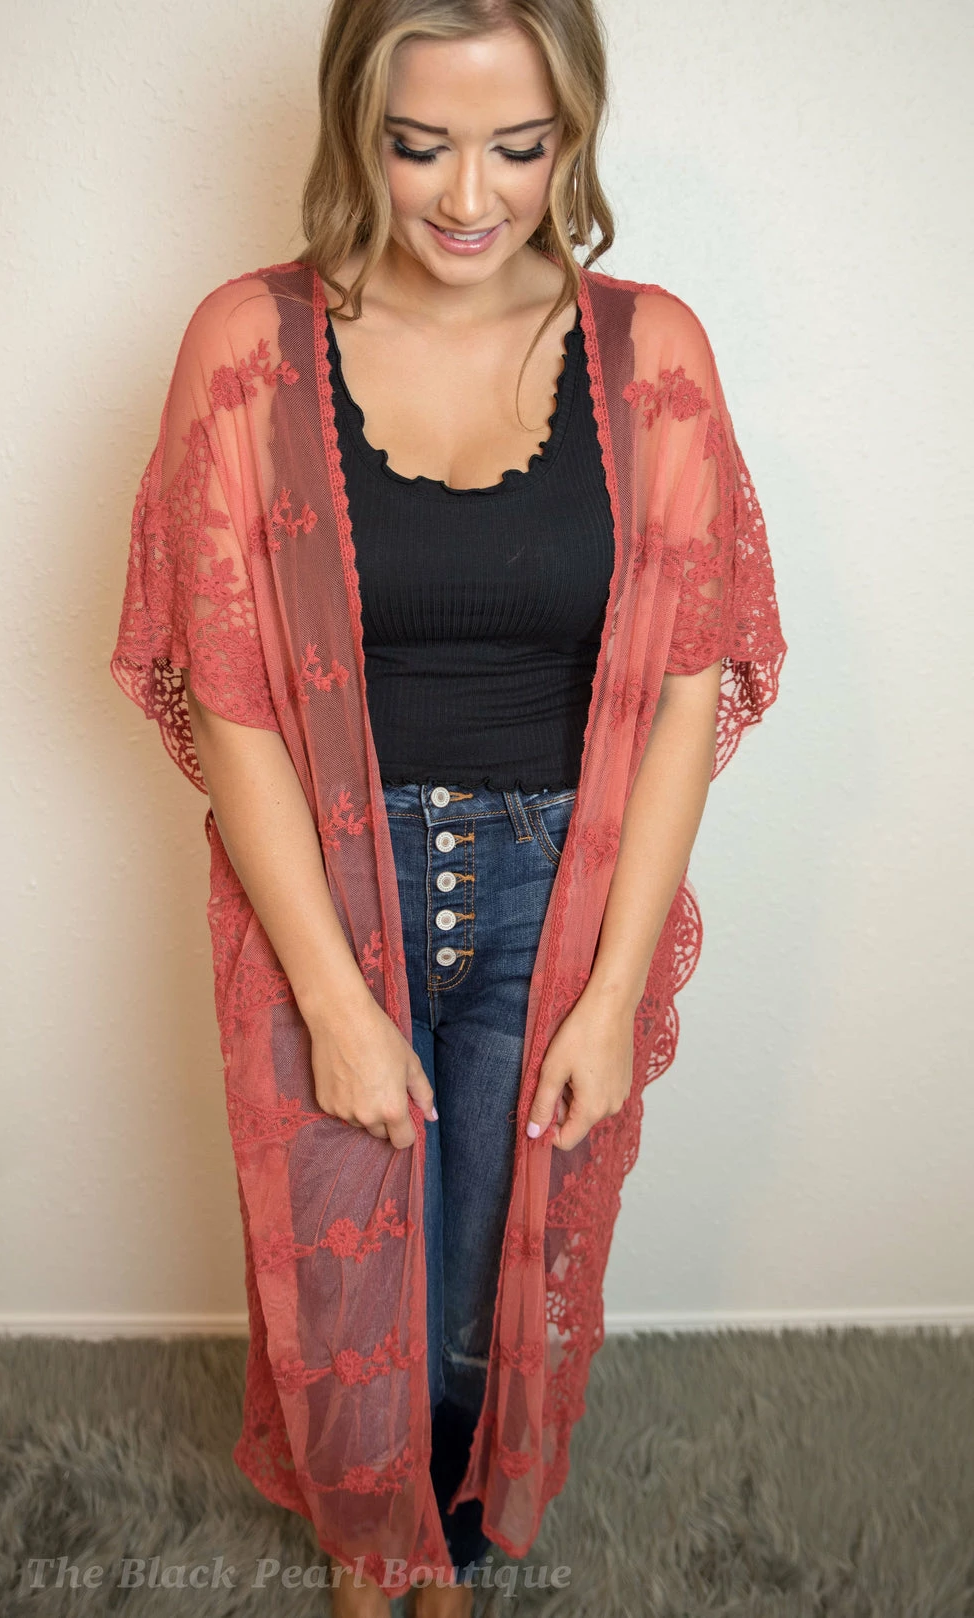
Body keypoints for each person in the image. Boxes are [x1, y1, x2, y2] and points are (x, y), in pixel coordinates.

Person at [110, 2, 786, 1614]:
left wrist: (613, 990)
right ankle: (372, 1552)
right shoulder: (250, 343)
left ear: (574, 137)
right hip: (331, 892)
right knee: (350, 1278)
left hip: (558, 892)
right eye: (420, 146)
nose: (469, 196)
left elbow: (687, 680)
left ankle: (452, 1556)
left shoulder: (652, 354)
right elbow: (230, 692)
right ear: (357, 127)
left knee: (488, 1273)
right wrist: (334, 997)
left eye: (518, 146)